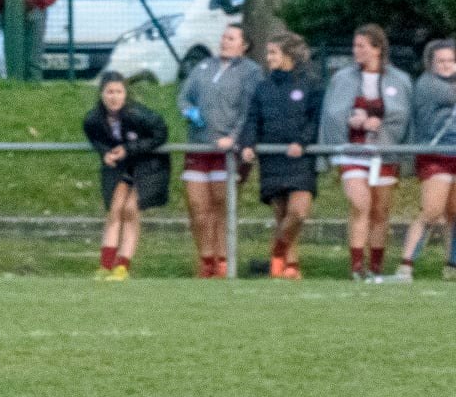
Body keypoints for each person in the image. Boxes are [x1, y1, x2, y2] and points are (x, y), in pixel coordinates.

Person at [321, 24, 411, 280]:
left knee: (380, 211)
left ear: (377, 48)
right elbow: (332, 112)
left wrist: (380, 123)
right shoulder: (342, 78)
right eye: (354, 45)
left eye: (361, 46)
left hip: (384, 151)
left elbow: (403, 116)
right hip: (352, 151)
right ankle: (356, 267)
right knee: (361, 204)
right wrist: (352, 118)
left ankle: (376, 266)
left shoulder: (399, 79)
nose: (355, 51)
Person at [234, 32, 322, 279]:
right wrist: (248, 144)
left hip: (299, 159)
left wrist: (302, 141)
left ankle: (277, 250)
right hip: (273, 158)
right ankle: (289, 266)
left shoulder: (310, 84)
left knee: (298, 212)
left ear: (288, 55)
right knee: (281, 213)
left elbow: (316, 119)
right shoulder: (263, 87)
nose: (268, 57)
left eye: (273, 52)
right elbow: (252, 119)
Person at [177, 24, 259, 277]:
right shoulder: (203, 67)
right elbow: (183, 97)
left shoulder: (250, 72)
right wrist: (189, 111)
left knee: (221, 205)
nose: (224, 41)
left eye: (231, 38)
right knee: (197, 206)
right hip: (198, 146)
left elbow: (249, 111)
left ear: (244, 45)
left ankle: (223, 259)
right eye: (223, 36)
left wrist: (233, 138)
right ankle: (205, 259)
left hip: (226, 152)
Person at [82, 71, 168, 281]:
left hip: (148, 163)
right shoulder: (93, 119)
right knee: (114, 208)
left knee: (130, 210)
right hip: (121, 165)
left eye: (119, 91)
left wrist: (129, 148)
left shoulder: (139, 115)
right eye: (109, 92)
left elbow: (160, 133)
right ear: (102, 94)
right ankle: (105, 265)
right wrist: (106, 154)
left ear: (125, 93)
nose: (114, 97)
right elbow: (96, 139)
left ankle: (122, 266)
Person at [400, 39, 456, 281]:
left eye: (451, 60)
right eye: (440, 61)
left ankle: (451, 266)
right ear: (431, 64)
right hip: (435, 154)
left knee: (454, 213)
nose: (446, 65)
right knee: (432, 211)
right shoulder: (427, 85)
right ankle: (405, 265)